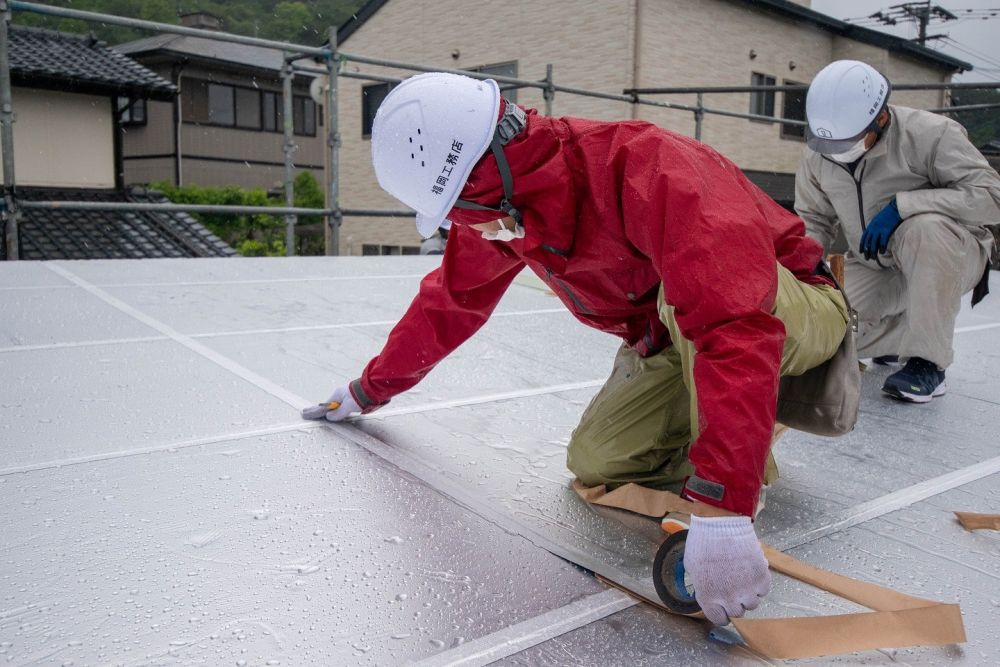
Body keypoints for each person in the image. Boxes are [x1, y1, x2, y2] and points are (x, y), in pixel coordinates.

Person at [303, 72, 851, 625]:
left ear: (487, 180)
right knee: (597, 460)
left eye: (456, 212)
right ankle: (740, 421)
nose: (454, 227)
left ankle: (738, 462)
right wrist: (365, 390)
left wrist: (722, 508)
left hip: (790, 304)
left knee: (691, 303)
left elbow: (734, 324)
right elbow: (450, 303)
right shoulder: (507, 211)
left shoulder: (649, 168)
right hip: (676, 330)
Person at [796, 60, 1000, 403]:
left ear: (881, 118)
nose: (838, 153)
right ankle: (902, 334)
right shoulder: (820, 152)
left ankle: (928, 363)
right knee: (828, 339)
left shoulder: (932, 135)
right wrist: (804, 266)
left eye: (849, 140)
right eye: (830, 144)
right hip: (875, 263)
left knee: (925, 228)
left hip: (949, 254)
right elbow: (813, 219)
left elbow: (992, 197)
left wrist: (903, 206)